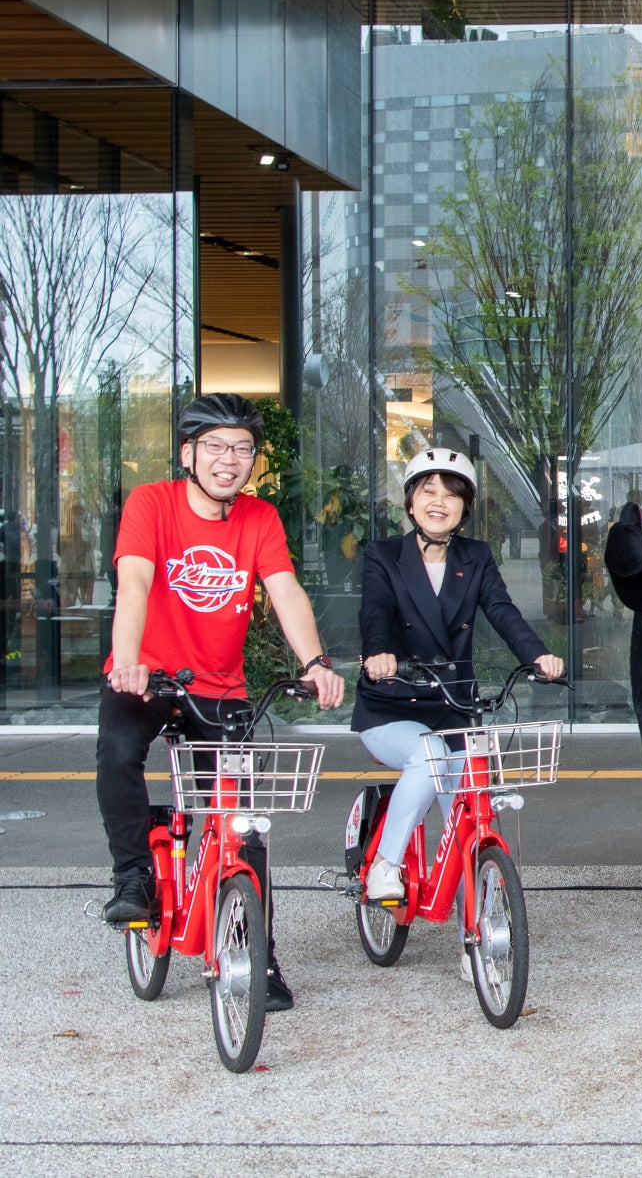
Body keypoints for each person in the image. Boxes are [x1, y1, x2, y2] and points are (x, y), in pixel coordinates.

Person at [98, 393, 347, 1012]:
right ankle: (133, 875)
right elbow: (134, 584)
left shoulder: (259, 517)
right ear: (188, 453)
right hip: (146, 678)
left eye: (242, 448)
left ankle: (260, 957)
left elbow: (285, 591)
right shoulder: (151, 503)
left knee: (244, 822)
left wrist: (315, 663)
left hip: (219, 687)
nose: (228, 459)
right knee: (119, 754)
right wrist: (127, 661)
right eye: (214, 446)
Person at [353, 448, 563, 902]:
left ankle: (481, 922)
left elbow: (502, 610)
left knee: (471, 804)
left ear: (465, 507)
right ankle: (385, 864)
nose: (439, 501)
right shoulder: (383, 555)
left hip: (453, 707)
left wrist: (538, 655)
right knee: (430, 756)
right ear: (411, 502)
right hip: (392, 703)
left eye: (451, 494)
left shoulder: (476, 555)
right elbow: (376, 612)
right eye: (428, 490)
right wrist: (379, 653)